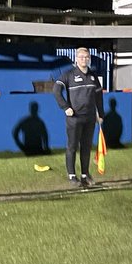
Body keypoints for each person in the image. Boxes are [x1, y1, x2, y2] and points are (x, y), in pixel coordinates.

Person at [54, 46, 104, 187]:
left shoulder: (93, 76)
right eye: (81, 57)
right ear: (76, 59)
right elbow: (56, 90)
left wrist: (101, 113)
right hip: (74, 118)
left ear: (89, 59)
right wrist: (65, 107)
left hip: (90, 118)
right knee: (72, 146)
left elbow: (99, 96)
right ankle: (72, 175)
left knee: (86, 147)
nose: (84, 59)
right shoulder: (68, 74)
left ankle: (84, 175)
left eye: (86, 57)